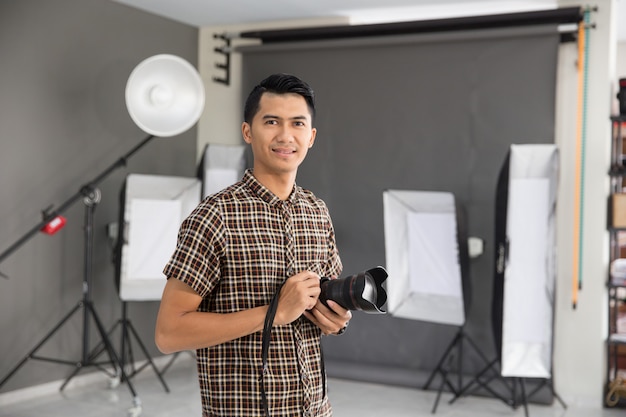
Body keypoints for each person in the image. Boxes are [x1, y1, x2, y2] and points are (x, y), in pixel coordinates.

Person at [155, 73, 352, 417]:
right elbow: (169, 332)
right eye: (271, 122)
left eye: (297, 124)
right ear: (248, 131)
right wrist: (274, 313)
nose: (285, 136)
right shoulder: (214, 216)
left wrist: (336, 318)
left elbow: (324, 306)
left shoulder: (317, 211)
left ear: (312, 136)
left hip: (315, 410)